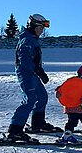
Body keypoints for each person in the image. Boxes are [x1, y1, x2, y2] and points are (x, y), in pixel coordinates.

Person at [6, 13, 61, 142]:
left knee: (42, 96)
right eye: (40, 28)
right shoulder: (27, 40)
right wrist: (38, 71)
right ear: (33, 26)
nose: (42, 31)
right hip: (26, 74)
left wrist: (40, 72)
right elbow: (25, 60)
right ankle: (15, 130)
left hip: (32, 74)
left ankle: (38, 124)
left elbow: (34, 60)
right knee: (29, 100)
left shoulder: (32, 38)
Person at [55, 64, 82, 143]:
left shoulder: (80, 85)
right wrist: (59, 92)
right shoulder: (73, 82)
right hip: (71, 106)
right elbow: (64, 88)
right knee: (73, 120)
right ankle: (67, 135)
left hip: (79, 107)